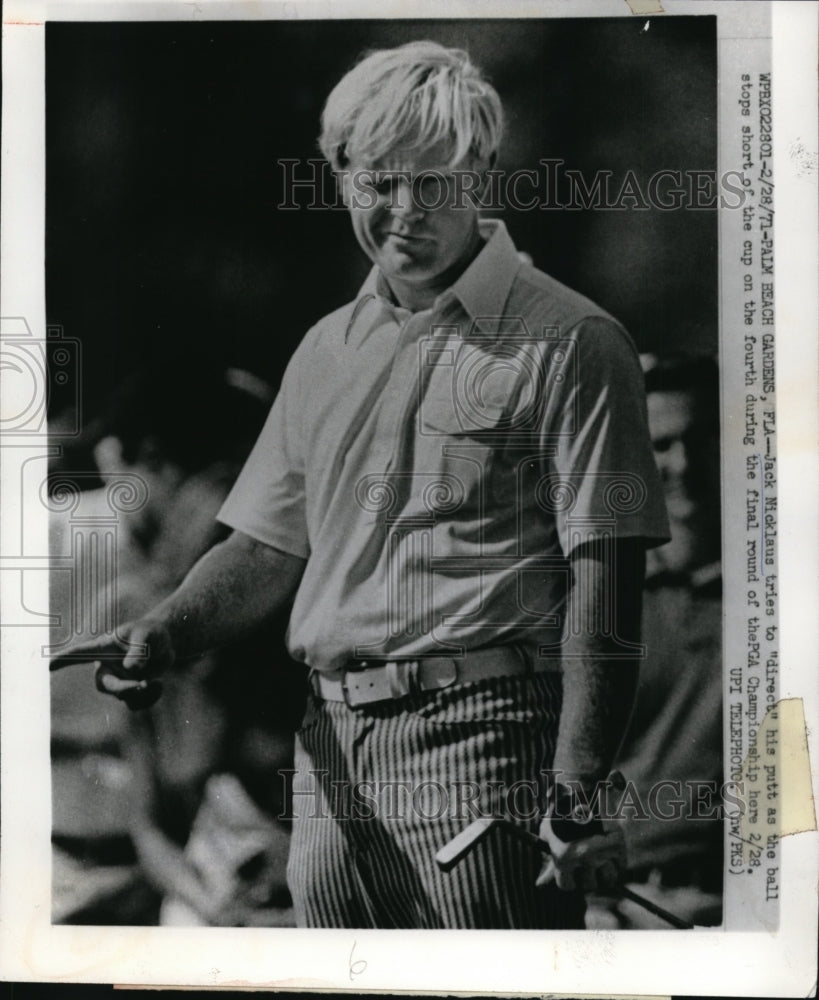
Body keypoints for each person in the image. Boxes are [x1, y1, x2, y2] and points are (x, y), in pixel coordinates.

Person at [52, 41, 669, 929]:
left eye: (435, 181)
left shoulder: (573, 341)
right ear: (340, 177)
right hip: (329, 754)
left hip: (489, 742)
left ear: (481, 172)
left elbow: (607, 582)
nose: (406, 210)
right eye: (380, 181)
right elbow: (265, 548)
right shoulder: (323, 351)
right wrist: (166, 630)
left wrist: (575, 788)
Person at [587, 354, 723, 929]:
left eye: (704, 441)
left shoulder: (787, 598)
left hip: (747, 908)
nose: (684, 465)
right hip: (618, 910)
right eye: (662, 446)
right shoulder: (595, 602)